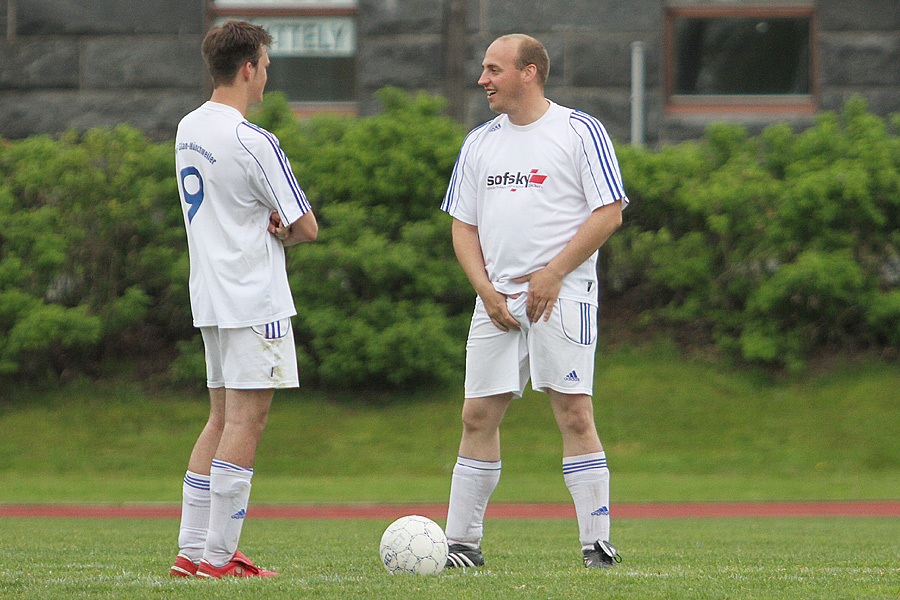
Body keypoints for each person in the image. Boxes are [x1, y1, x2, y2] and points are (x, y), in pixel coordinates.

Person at [440, 33, 627, 569]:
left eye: (494, 69)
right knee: (476, 415)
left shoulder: (579, 131)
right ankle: (461, 545)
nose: (483, 80)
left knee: (573, 413)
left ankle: (598, 546)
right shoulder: (479, 142)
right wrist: (485, 291)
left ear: (529, 73)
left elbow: (609, 212)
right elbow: (463, 225)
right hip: (495, 301)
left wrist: (553, 273)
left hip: (562, 295)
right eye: (483, 69)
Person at [169, 20, 318, 578]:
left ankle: (191, 551)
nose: (266, 78)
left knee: (218, 418)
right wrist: (284, 229)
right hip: (254, 298)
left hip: (209, 295)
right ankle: (219, 557)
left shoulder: (188, 127)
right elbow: (307, 226)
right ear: (249, 67)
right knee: (245, 424)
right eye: (266, 66)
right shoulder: (253, 139)